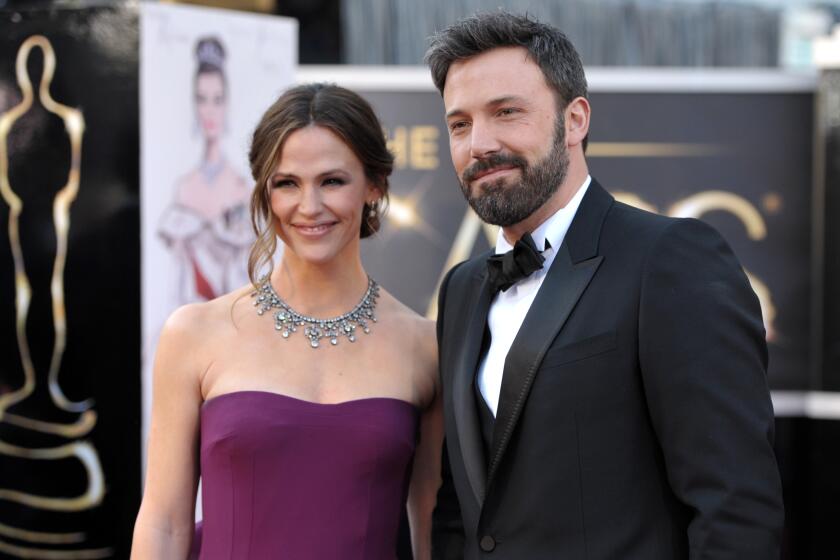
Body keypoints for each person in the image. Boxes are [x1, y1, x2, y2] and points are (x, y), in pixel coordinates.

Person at [426, 11, 784, 559]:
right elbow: (460, 510)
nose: (480, 143)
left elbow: (735, 507)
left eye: (507, 113)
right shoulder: (462, 289)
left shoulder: (670, 260)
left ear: (574, 121)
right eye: (459, 124)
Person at [132, 83, 442, 559]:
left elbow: (429, 534)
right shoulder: (194, 334)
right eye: (287, 183)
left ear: (374, 184)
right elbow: (164, 524)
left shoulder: (425, 348)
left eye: (333, 181)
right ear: (264, 191)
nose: (310, 207)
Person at [158, 36, 252, 304]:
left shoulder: (241, 186)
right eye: (202, 99)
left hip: (236, 319)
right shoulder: (184, 187)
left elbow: (250, 276)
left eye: (217, 99)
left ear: (227, 103)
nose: (209, 111)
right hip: (192, 320)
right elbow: (177, 281)